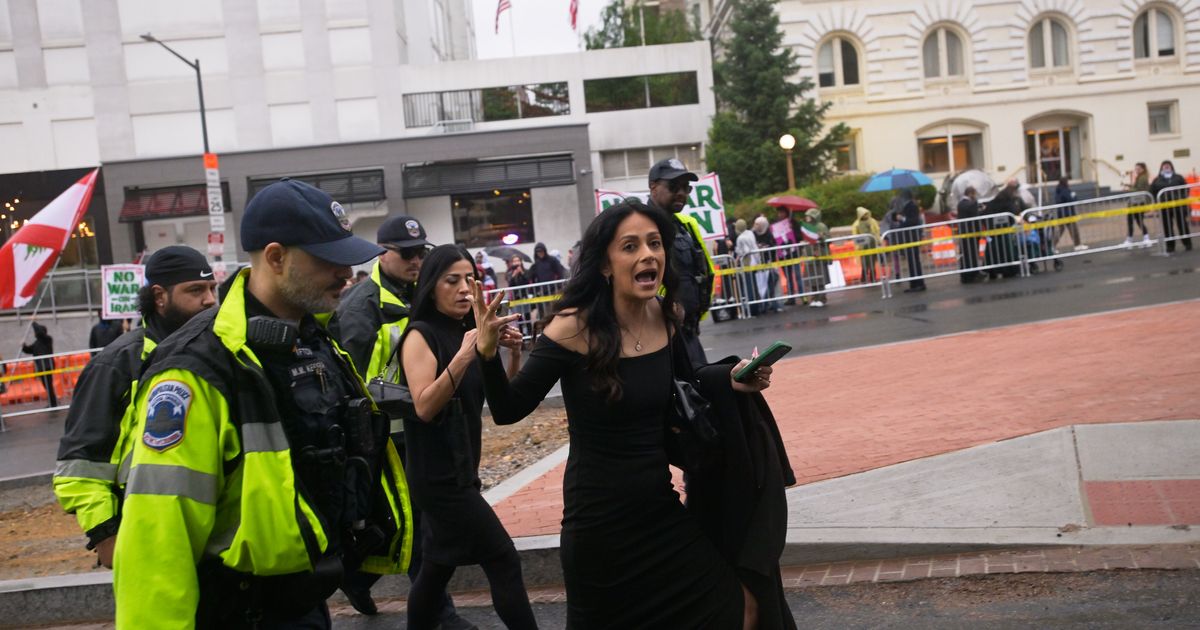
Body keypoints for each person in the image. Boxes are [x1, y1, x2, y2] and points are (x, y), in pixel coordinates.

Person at [473, 200, 794, 629]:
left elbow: (689, 386)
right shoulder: (572, 327)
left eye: (655, 243)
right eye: (630, 246)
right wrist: (487, 354)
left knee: (743, 608)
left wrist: (730, 380)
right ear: (605, 264)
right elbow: (508, 410)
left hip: (660, 512)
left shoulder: (666, 316)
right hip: (599, 528)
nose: (648, 255)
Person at [113, 179, 413, 628]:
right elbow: (158, 533)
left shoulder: (313, 340)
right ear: (276, 257)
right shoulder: (196, 367)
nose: (346, 274)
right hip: (240, 613)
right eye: (329, 259)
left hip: (304, 602)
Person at [330, 216, 470, 627]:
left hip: (424, 424)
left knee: (401, 521)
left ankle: (357, 578)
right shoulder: (361, 306)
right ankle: (440, 616)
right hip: (387, 435)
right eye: (406, 253)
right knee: (419, 524)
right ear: (381, 253)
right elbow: (350, 379)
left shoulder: (421, 294)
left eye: (421, 252)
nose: (415, 260)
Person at [53, 246, 218, 569]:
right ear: (160, 297)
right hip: (150, 545)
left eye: (213, 288)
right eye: (196, 290)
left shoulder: (223, 351)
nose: (210, 300)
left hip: (219, 541)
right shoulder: (116, 364)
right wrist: (107, 537)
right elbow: (80, 467)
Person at [398, 245, 535, 630]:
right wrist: (467, 353)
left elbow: (499, 402)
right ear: (430, 286)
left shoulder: (468, 333)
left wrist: (510, 354)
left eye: (469, 280)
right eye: (451, 280)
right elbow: (425, 406)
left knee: (436, 568)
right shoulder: (419, 336)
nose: (463, 289)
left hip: (463, 469)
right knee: (503, 558)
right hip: (437, 479)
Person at [647, 158, 715, 367]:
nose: (681, 193)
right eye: (674, 186)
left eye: (686, 188)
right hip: (659, 336)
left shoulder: (685, 225)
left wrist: (695, 313)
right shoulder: (640, 227)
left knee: (701, 392)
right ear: (654, 187)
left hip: (688, 331)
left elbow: (705, 272)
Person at [1150, 160, 1192, 253]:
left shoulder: (1178, 177)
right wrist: (1156, 203)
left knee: (1182, 225)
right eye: (1164, 166)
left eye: (1168, 165)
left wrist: (1182, 198)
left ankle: (1187, 244)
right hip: (1164, 207)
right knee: (1167, 226)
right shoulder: (1157, 180)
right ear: (1161, 167)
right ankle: (1170, 246)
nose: (1166, 167)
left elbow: (1186, 189)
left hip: (1178, 206)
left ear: (1172, 167)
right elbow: (1152, 191)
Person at [894, 189, 927, 292]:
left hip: (911, 237)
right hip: (909, 237)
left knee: (914, 261)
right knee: (912, 261)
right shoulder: (908, 206)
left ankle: (918, 284)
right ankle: (914, 283)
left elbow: (913, 221)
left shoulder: (911, 206)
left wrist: (902, 219)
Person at [799, 208, 830, 307]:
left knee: (820, 279)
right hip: (809, 256)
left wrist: (821, 237)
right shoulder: (806, 227)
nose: (807, 217)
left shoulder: (821, 226)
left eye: (809, 216)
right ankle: (814, 298)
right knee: (812, 279)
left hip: (819, 256)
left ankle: (822, 298)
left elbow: (828, 239)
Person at [22, 321, 57, 407]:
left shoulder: (47, 339)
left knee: (48, 385)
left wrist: (33, 323)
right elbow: (29, 350)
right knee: (46, 385)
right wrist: (23, 346)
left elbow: (40, 333)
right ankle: (52, 401)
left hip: (47, 366)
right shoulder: (36, 343)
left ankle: (53, 403)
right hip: (41, 367)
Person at [955, 189, 986, 283]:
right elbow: (973, 214)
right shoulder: (966, 203)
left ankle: (972, 273)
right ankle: (970, 275)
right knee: (969, 254)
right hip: (969, 233)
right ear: (971, 194)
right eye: (974, 194)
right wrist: (976, 203)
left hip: (968, 232)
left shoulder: (964, 203)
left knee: (970, 254)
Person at [753, 216, 782, 312]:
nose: (756, 226)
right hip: (757, 264)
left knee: (772, 281)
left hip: (768, 262)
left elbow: (773, 248)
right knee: (761, 286)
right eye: (755, 224)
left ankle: (772, 304)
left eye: (758, 224)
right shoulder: (753, 234)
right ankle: (763, 305)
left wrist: (773, 262)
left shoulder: (769, 235)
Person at [733, 218, 762, 315]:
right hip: (755, 261)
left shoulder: (741, 238)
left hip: (747, 263)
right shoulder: (750, 233)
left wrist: (737, 251)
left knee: (748, 286)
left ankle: (752, 308)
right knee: (754, 285)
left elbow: (744, 251)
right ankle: (758, 306)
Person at [1123, 162, 1152, 247]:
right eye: (1136, 168)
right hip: (1137, 202)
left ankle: (1131, 239)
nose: (1136, 170)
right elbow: (1137, 187)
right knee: (1138, 221)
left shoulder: (1142, 178)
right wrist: (1129, 186)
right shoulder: (1141, 177)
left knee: (1132, 220)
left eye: (1138, 168)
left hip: (1137, 202)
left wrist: (1128, 189)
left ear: (1143, 169)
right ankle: (1144, 238)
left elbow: (1139, 190)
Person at [1053, 177, 1085, 251]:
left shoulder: (1058, 190)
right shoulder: (1064, 190)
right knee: (1073, 229)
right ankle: (1077, 245)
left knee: (1061, 231)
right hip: (1068, 213)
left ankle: (1052, 246)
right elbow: (1070, 199)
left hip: (1062, 213)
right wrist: (1074, 196)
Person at [851, 206, 881, 284]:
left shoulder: (872, 221)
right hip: (863, 246)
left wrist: (878, 241)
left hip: (872, 244)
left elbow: (876, 231)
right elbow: (855, 236)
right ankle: (864, 277)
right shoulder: (856, 224)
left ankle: (873, 277)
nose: (866, 215)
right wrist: (858, 246)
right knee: (864, 262)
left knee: (872, 261)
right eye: (864, 214)